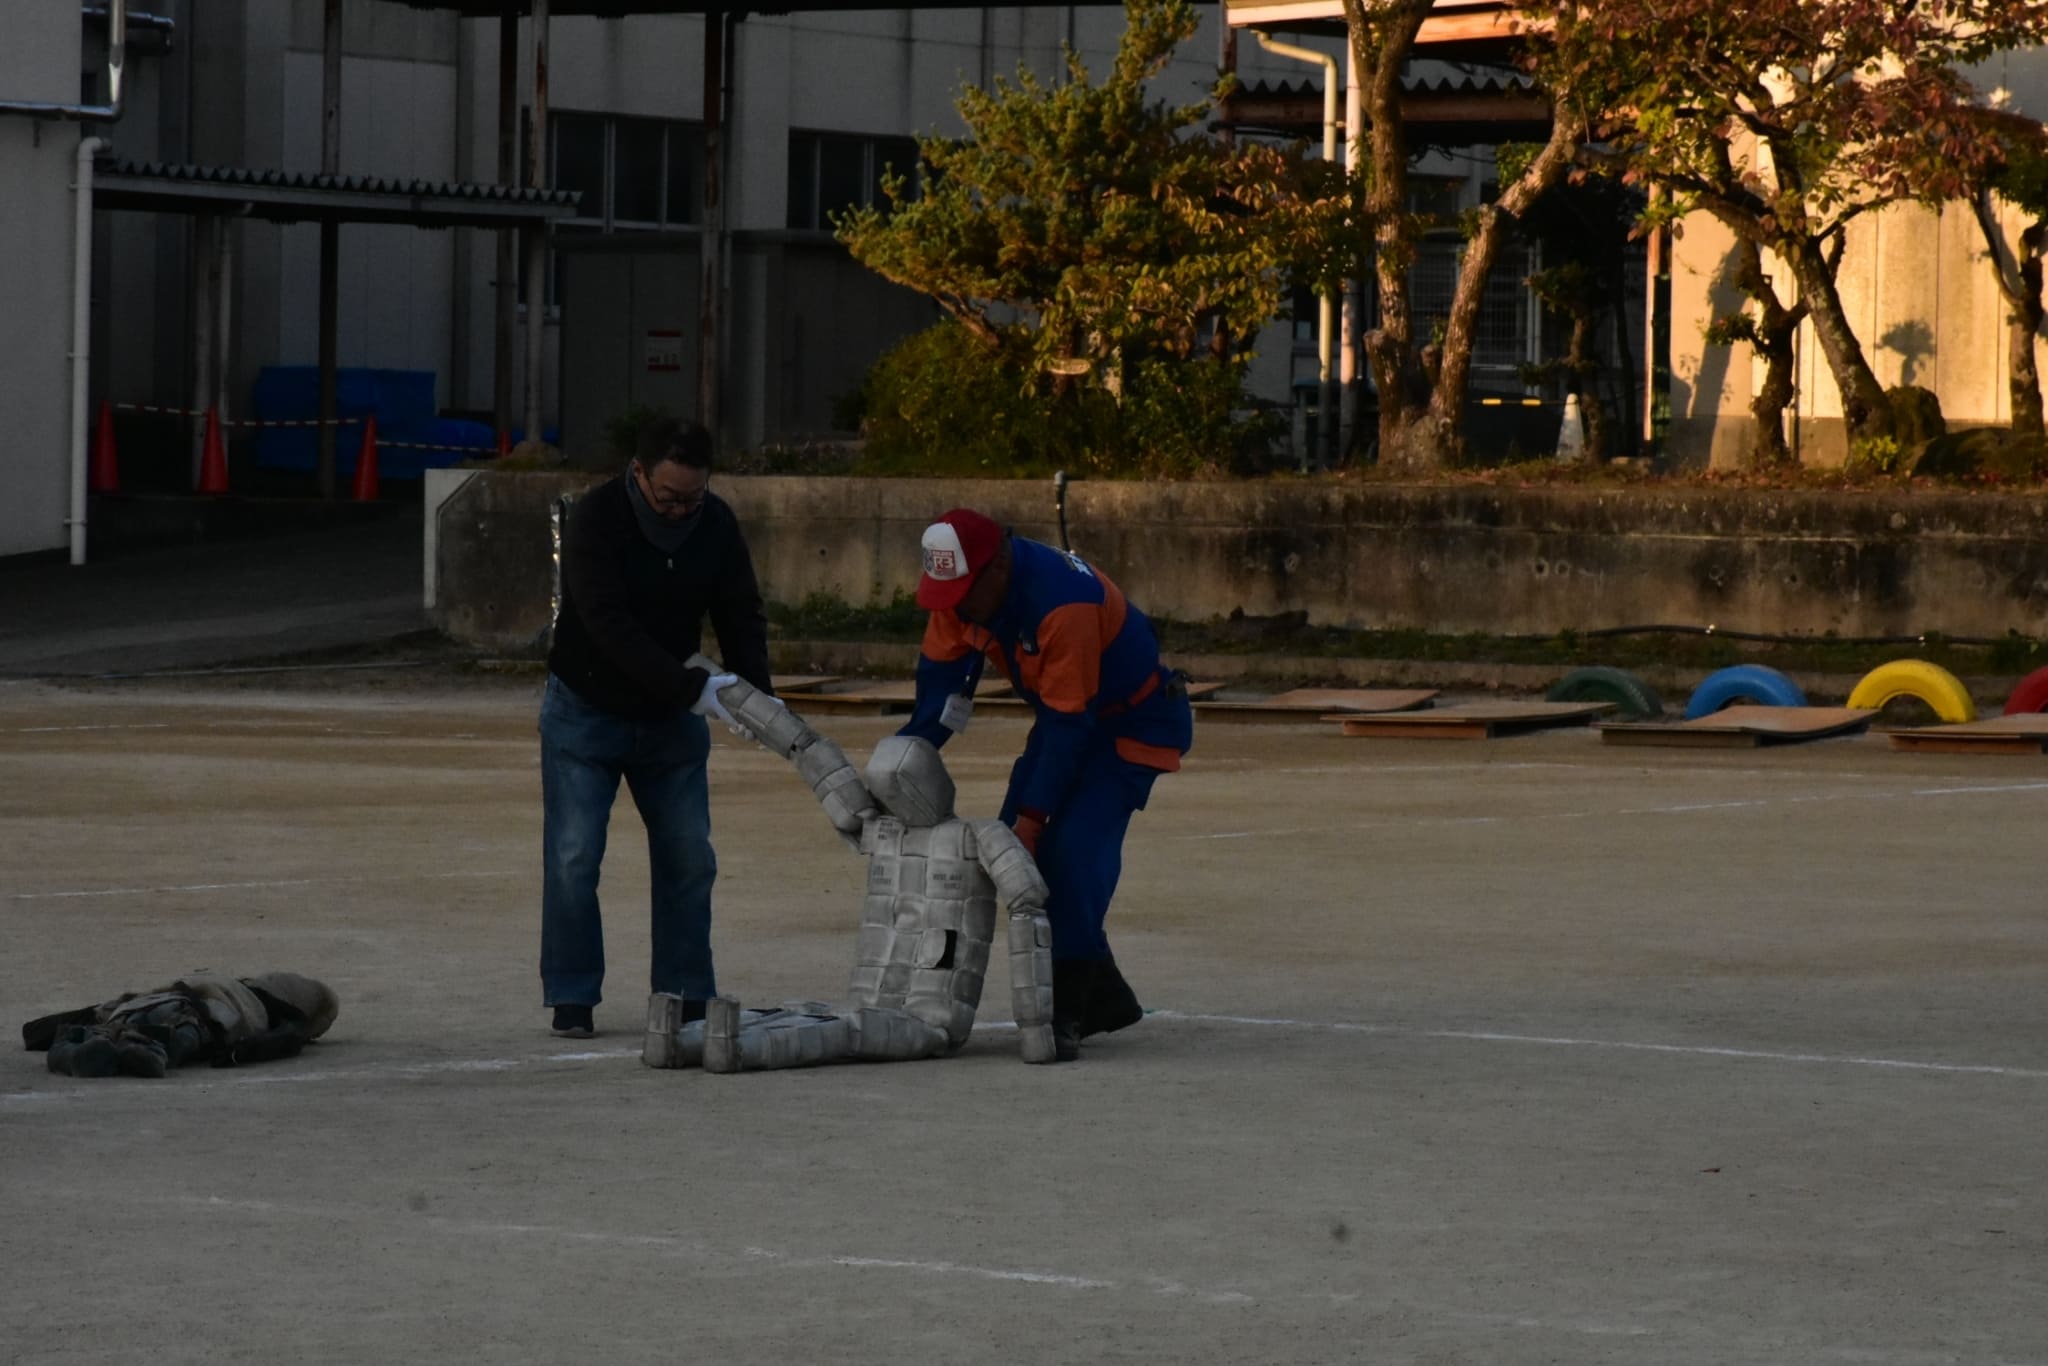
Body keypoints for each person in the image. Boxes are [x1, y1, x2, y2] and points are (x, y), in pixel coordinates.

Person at [897, 509, 1192, 1061]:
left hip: (1130, 728)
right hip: (1066, 723)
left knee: (1074, 854)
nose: (956, 606)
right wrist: (900, 767)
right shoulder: (957, 597)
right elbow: (936, 699)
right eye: (945, 593)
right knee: (1012, 856)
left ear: (999, 565)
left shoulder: (1063, 604)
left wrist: (1034, 818)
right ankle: (1104, 996)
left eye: (964, 591)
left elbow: (1069, 726)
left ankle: (1068, 1007)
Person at [540, 417, 773, 1039]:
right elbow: (609, 626)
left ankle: (686, 992)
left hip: (671, 723)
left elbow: (739, 611)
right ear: (637, 473)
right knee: (573, 856)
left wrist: (755, 697)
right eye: (668, 496)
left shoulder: (715, 523)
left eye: (692, 497)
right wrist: (694, 687)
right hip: (586, 710)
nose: (680, 509)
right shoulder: (595, 519)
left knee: (690, 857)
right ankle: (571, 995)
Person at [22, 971, 339, 1078]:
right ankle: (146, 1052)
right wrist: (239, 1054)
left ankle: (70, 1046)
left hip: (148, 1003)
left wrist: (40, 1031)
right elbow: (286, 1039)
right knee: (170, 1043)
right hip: (199, 1020)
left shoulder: (215, 978)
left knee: (110, 1024)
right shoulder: (274, 1009)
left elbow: (40, 1029)